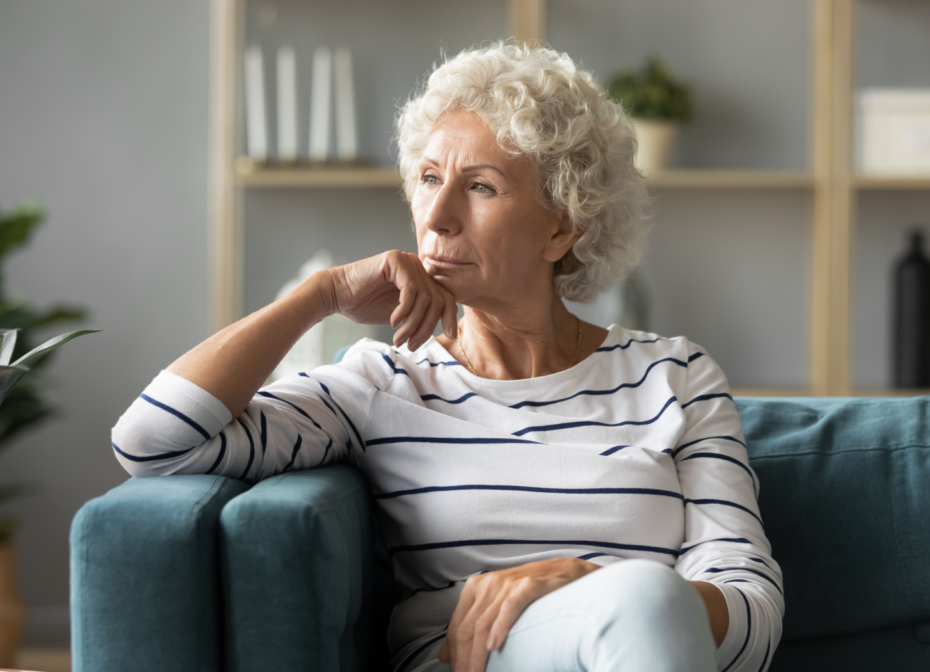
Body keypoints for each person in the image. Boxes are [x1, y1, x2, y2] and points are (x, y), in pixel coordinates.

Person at [112, 41, 783, 672]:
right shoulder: (383, 384)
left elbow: (751, 609)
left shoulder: (674, 375)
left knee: (646, 598)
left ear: (562, 225)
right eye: (429, 178)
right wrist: (326, 292)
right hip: (471, 660)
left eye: (481, 186)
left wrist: (594, 582)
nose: (436, 215)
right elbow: (151, 443)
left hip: (647, 642)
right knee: (646, 596)